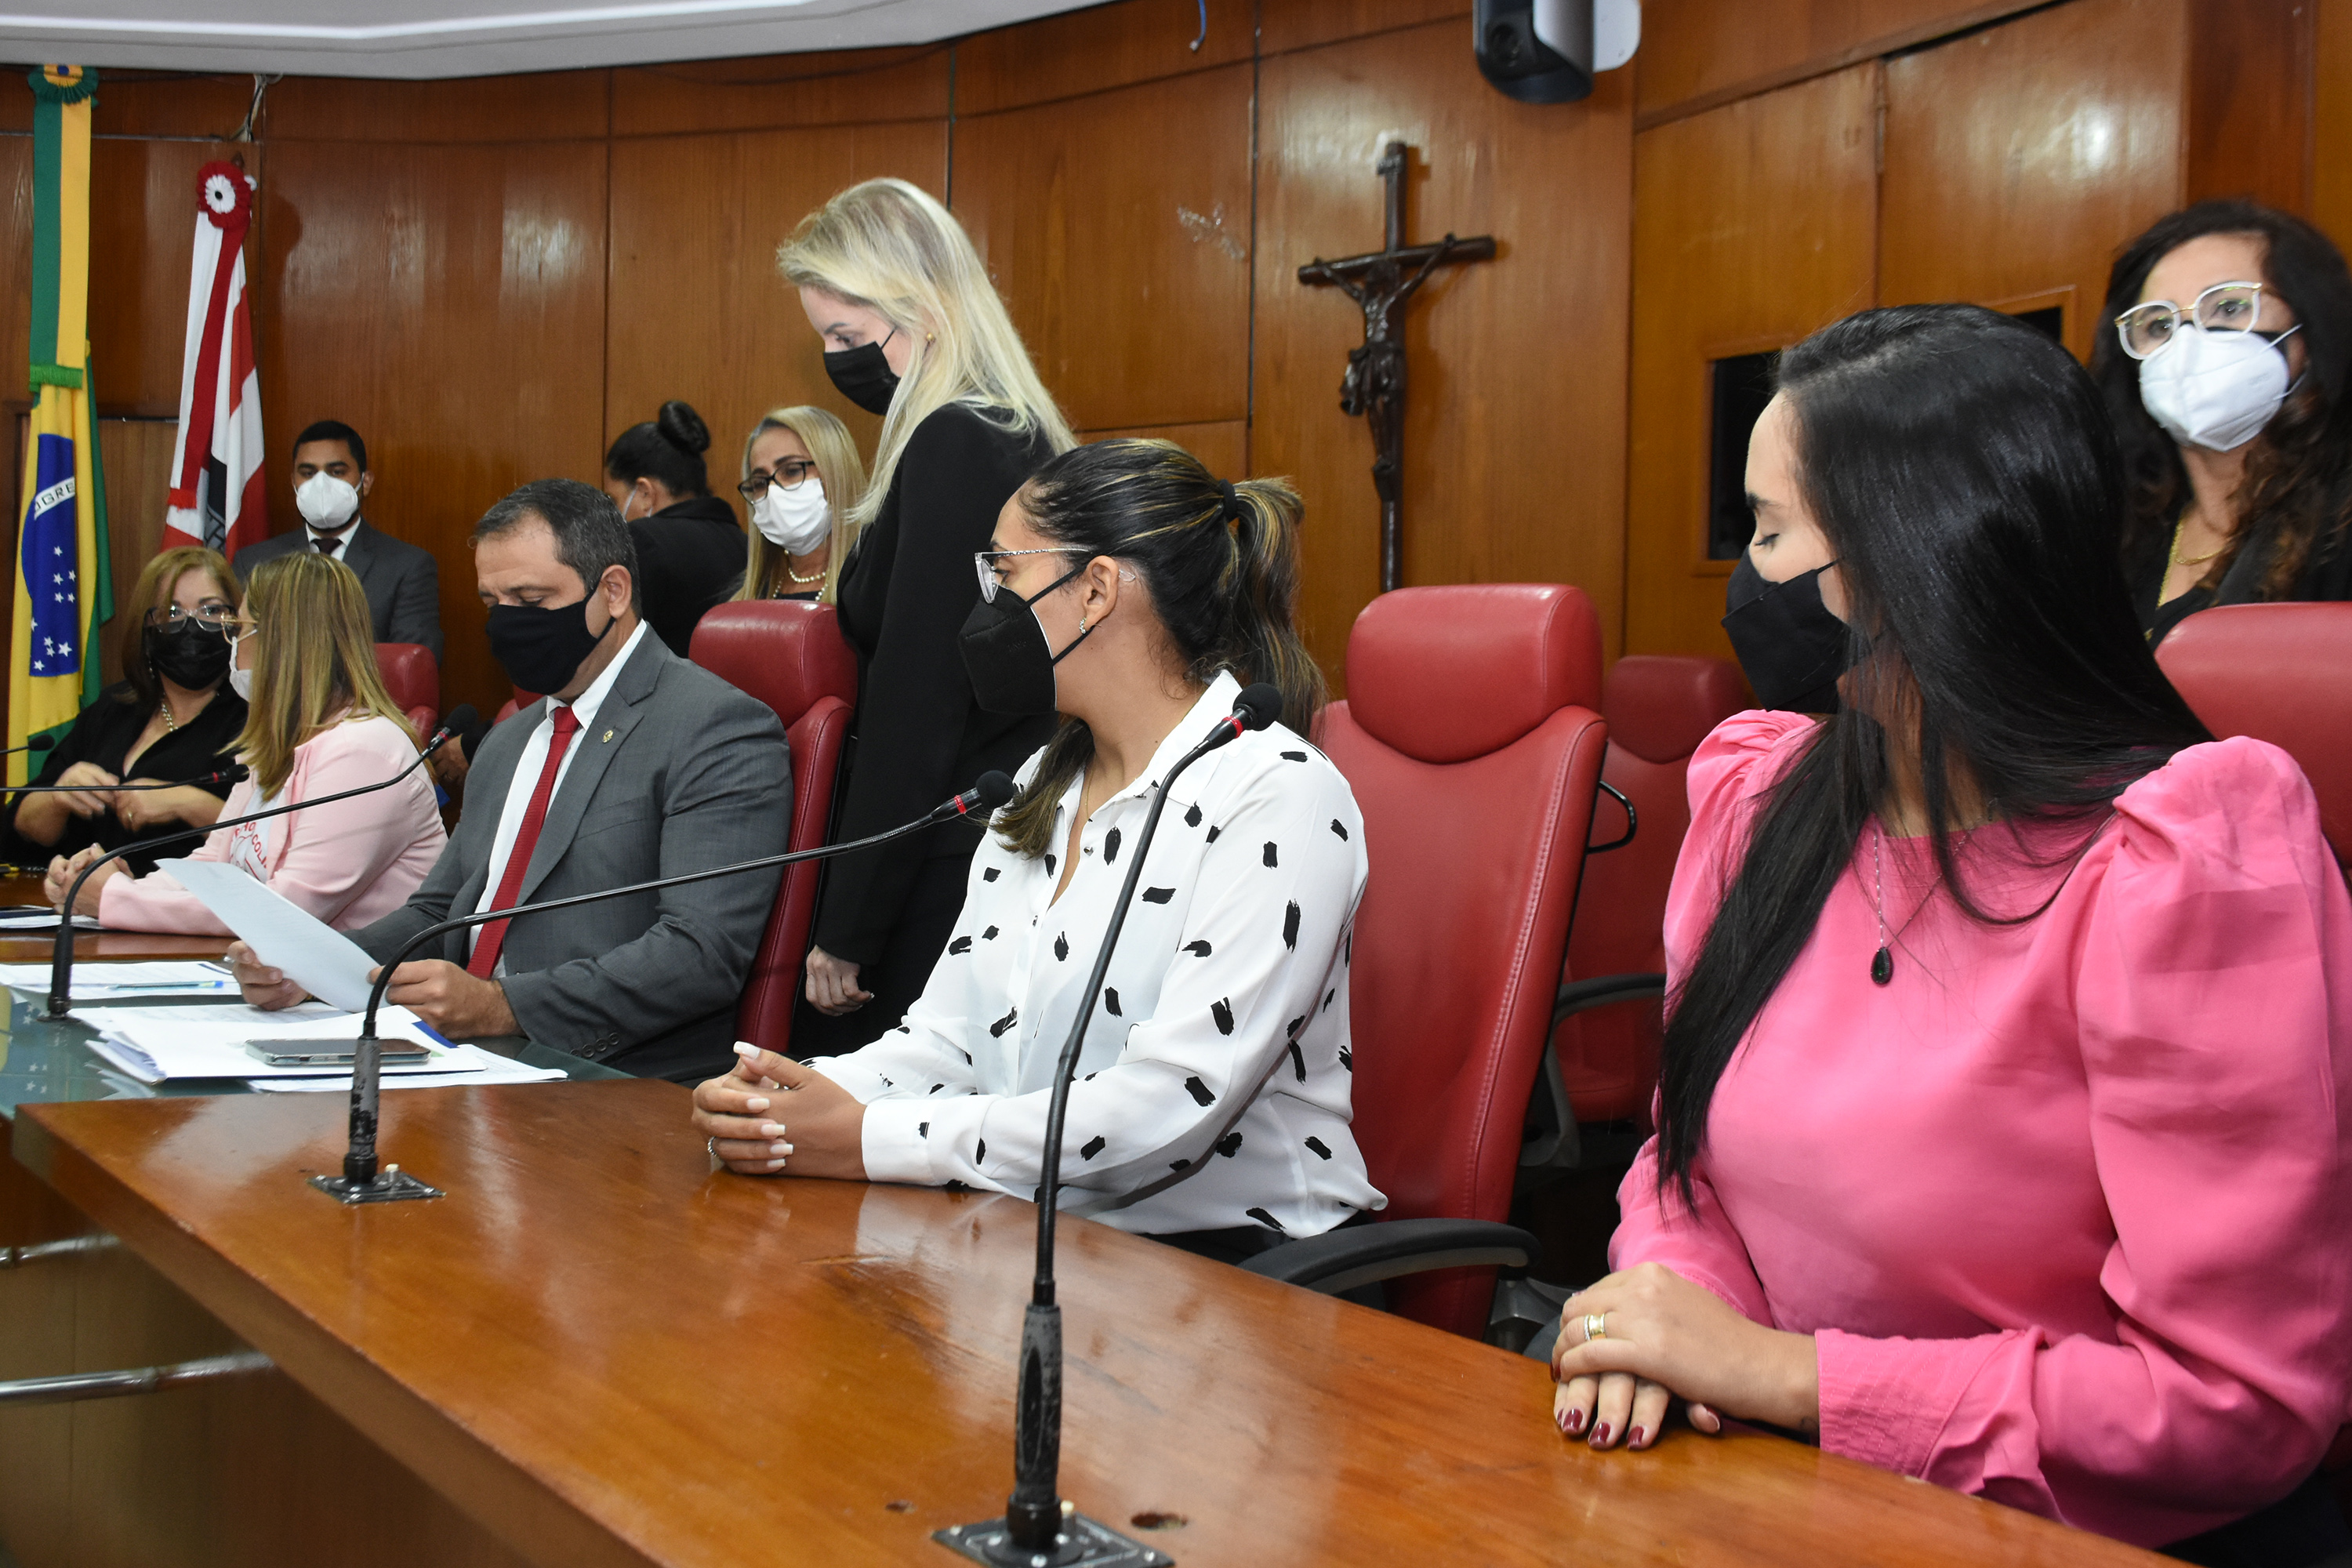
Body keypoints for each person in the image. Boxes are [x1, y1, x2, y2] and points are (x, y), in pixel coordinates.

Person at [1548, 306, 2352, 1562]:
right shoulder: (1765, 799)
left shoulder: (2178, 861)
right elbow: (1683, 1162)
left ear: (1912, 557)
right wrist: (1668, 1314)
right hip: (1767, 1495)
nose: (1746, 581)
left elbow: (2235, 1408)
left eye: (1770, 532)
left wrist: (1788, 1377)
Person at [692, 440, 1382, 1250]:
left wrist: (868, 1138)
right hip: (1040, 1233)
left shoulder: (1277, 793)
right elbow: (950, 1039)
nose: (984, 605)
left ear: (1094, 588)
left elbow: (1172, 1106)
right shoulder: (1035, 785)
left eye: (1004, 574)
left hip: (1233, 1265)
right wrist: (787, 1100)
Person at [227, 479, 791, 1083]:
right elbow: (436, 912)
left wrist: (502, 1006)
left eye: (529, 597)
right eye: (493, 603)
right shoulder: (509, 740)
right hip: (460, 1059)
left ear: (614, 591)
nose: (507, 625)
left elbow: (697, 955)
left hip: (609, 1079)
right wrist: (310, 968)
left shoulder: (715, 726)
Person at [779, 177, 1076, 1051]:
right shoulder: (1011, 429)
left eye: (848, 334)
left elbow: (917, 699)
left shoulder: (956, 438)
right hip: (984, 844)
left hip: (942, 863)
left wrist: (849, 922)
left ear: (924, 304)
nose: (838, 358)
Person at [46, 552, 444, 933]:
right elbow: (213, 865)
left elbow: (285, 910)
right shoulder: (279, 745)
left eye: (239, 629)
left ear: (281, 643)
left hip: (357, 993)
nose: (232, 644)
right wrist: (113, 885)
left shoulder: (364, 752)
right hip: (281, 982)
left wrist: (116, 901)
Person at [2094, 200, 2352, 644]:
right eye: (2158, 325)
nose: (2188, 342)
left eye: (2229, 308)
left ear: (2310, 329)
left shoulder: (2342, 522)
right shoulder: (2117, 533)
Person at [2, 546, 248, 876]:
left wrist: (188, 803)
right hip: (87, 911)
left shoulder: (257, 716)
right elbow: (18, 832)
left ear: (237, 622)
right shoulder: (115, 707)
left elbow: (275, 842)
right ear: (148, 629)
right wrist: (58, 799)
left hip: (189, 915)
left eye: (211, 611)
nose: (192, 627)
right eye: (173, 613)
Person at [234, 419, 444, 663]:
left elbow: (412, 666)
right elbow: (240, 655)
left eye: (337, 472)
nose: (321, 484)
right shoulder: (253, 563)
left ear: (365, 482)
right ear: (294, 482)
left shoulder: (407, 566)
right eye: (308, 473)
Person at [602, 400, 746, 657]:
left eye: (614, 500)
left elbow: (609, 650)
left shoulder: (642, 541)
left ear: (645, 492)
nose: (613, 513)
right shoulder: (745, 543)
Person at [731, 405, 866, 603]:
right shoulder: (744, 600)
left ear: (836, 472)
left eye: (792, 471)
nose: (774, 493)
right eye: (760, 483)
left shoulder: (875, 590)